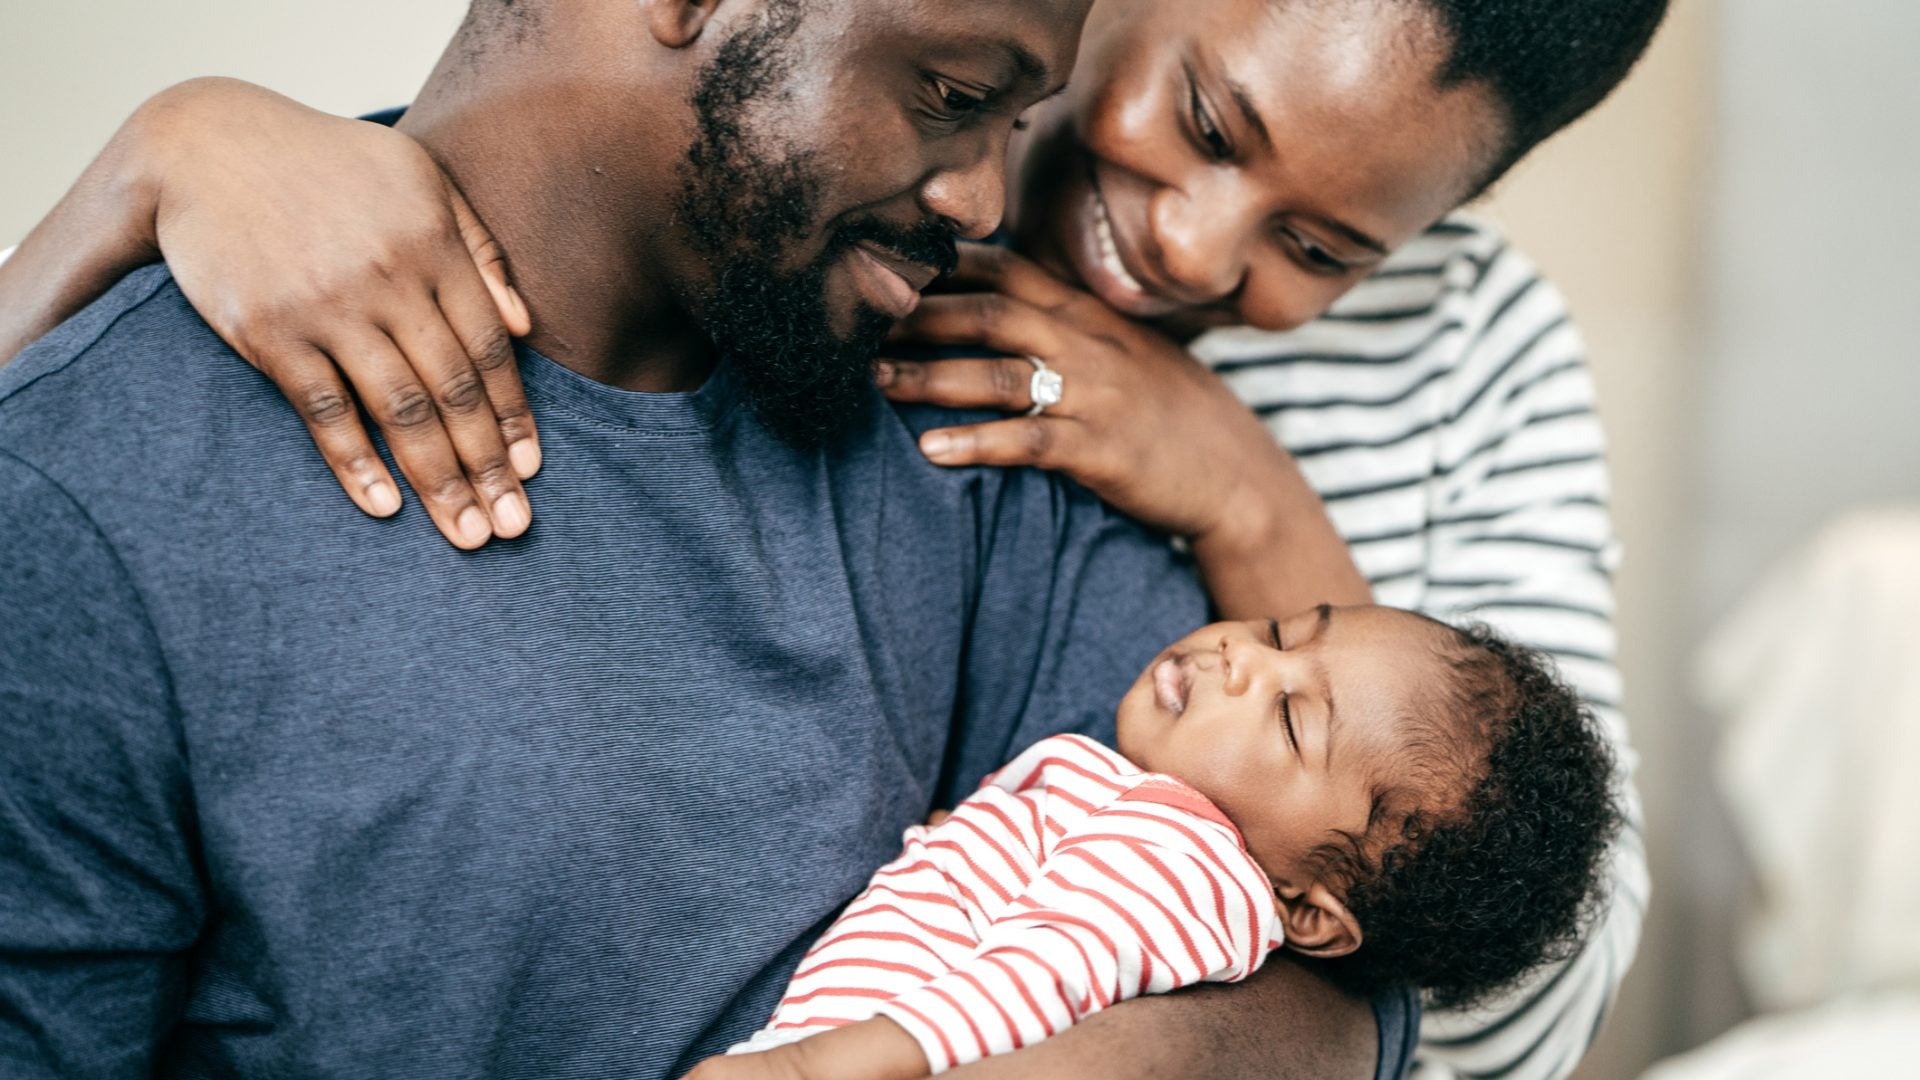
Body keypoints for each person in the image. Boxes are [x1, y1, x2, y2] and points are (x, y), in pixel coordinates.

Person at [0, 0, 1666, 1076]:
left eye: (1326, 244)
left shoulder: (985, 397)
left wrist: (1245, 495)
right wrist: (171, 136)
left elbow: (1381, 984)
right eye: (959, 97)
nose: (990, 205)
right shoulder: (106, 487)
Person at [699, 607, 1619, 1080]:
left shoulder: (1185, 857)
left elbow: (1029, 980)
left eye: (1293, 719)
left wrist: (812, 1066)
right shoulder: (1135, 809)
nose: (1242, 660)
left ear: (1306, 908)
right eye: (1281, 631)